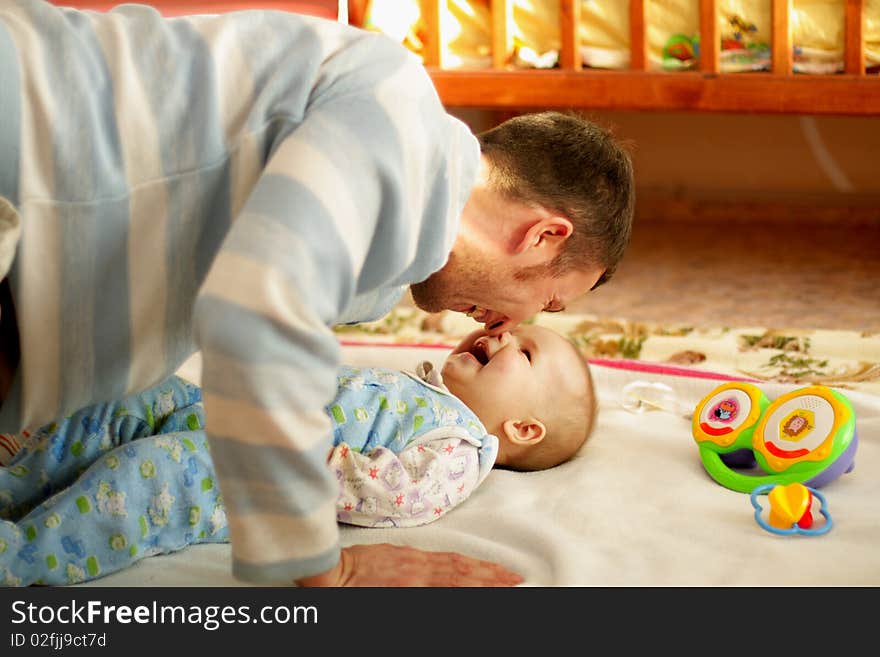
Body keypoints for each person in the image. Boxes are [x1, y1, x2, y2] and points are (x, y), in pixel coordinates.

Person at [0, 1, 634, 586]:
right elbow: (253, 328)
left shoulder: (387, 261)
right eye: (549, 304)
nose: (511, 324)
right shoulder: (393, 125)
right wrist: (333, 571)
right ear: (544, 236)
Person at [0, 324, 596, 586]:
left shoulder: (462, 446)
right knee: (135, 398)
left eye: (524, 352)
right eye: (512, 331)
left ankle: (21, 558)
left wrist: (324, 462)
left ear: (522, 427)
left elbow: (398, 494)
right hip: (220, 409)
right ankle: (19, 476)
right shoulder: (424, 392)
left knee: (140, 479)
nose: (501, 333)